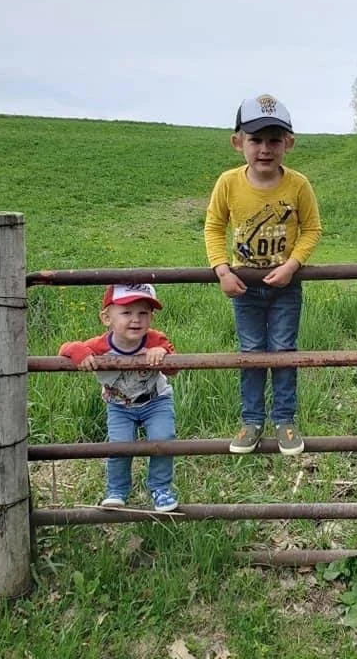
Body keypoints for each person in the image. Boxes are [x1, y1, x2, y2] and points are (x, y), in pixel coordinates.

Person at [204, 94, 323, 456]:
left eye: (274, 140)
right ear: (237, 142)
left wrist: (292, 265)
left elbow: (312, 229)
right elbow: (214, 227)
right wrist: (222, 270)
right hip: (244, 287)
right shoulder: (228, 183)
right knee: (251, 352)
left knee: (284, 350)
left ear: (289, 143)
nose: (265, 149)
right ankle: (252, 421)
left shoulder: (298, 185)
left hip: (286, 286)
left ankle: (285, 419)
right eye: (255, 140)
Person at [58, 284, 180, 511]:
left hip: (156, 401)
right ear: (107, 318)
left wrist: (162, 354)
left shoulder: (155, 340)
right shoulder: (99, 346)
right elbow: (66, 348)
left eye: (143, 313)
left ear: (151, 317)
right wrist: (79, 353)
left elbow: (174, 368)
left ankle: (160, 488)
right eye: (126, 312)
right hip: (119, 407)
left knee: (163, 439)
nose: (136, 319)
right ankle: (117, 490)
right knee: (119, 446)